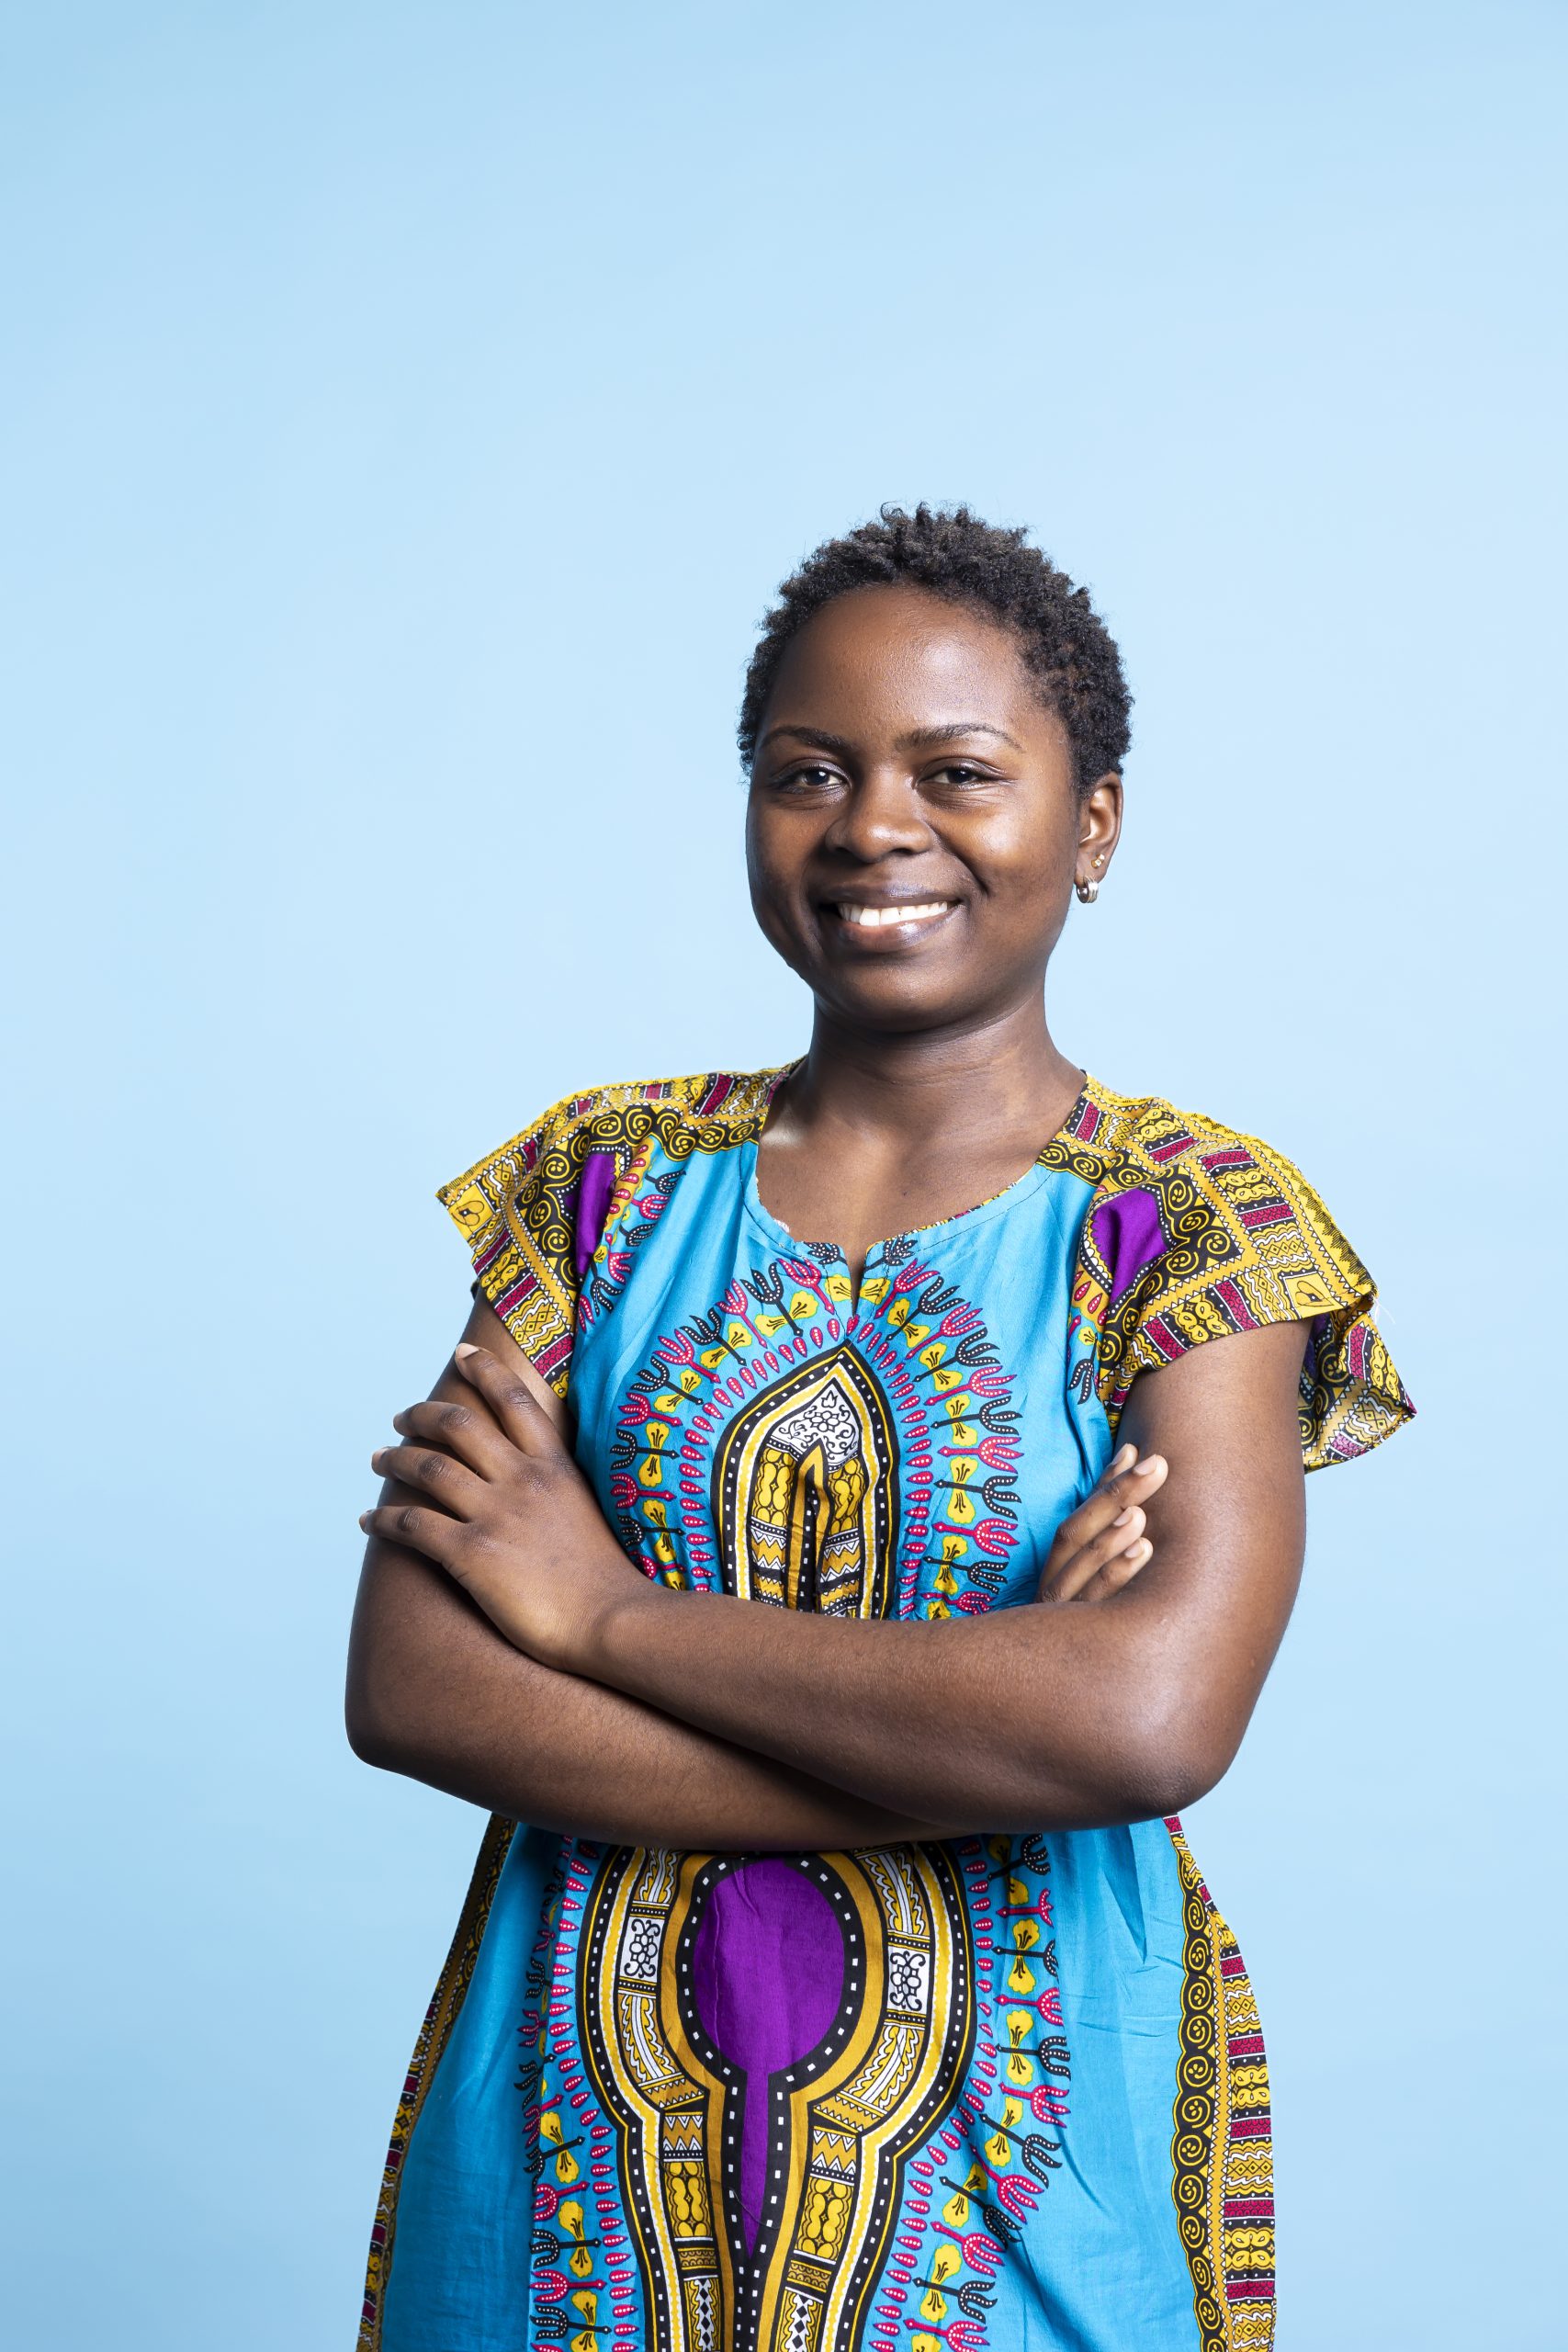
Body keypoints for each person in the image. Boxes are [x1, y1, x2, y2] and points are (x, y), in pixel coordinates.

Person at [346, 505, 1412, 2352]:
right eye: (806, 770)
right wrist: (985, 1707)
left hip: (1006, 2173)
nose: (870, 826)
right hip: (571, 2176)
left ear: (1090, 823)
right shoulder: (601, 1184)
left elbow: (1147, 1719)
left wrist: (593, 1614)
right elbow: (415, 1685)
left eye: (957, 769)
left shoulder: (1189, 1220)